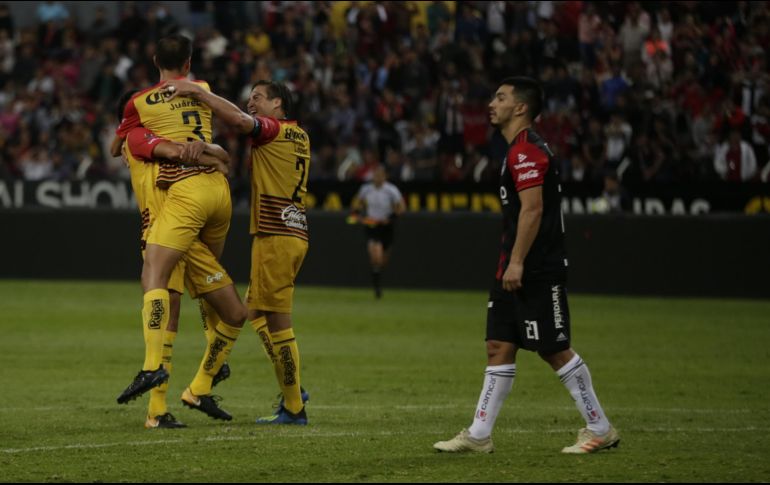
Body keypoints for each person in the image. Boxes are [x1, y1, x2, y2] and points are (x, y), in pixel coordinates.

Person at [433, 77, 619, 454]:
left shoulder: (525, 151)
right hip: (512, 266)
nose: (491, 103)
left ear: (520, 108)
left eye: (500, 97)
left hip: (535, 267)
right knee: (498, 345)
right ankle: (479, 434)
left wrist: (517, 262)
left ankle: (600, 427)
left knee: (554, 349)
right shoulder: (517, 150)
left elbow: (532, 210)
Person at [113, 34, 247, 422]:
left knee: (186, 305)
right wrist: (216, 154)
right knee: (200, 309)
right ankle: (162, 408)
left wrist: (199, 152)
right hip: (190, 206)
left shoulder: (139, 127)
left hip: (176, 217)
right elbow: (184, 148)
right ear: (188, 63)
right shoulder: (198, 91)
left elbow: (142, 144)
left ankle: (174, 387)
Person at [161, 78, 311, 425]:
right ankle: (293, 389)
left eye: (258, 97)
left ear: (278, 105)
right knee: (257, 314)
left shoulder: (273, 130)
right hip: (292, 232)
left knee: (273, 318)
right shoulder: (299, 135)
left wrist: (199, 92)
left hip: (277, 234)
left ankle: (289, 405)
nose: (251, 102)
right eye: (250, 96)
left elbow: (243, 122)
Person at [350, 165, 406, 298]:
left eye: (380, 175)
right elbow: (358, 203)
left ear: (385, 176)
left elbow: (402, 207)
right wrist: (357, 214)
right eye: (375, 174)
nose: (377, 177)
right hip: (372, 225)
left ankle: (377, 277)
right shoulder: (366, 189)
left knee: (382, 261)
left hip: (386, 227)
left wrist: (391, 218)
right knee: (376, 255)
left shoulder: (391, 190)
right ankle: (377, 289)